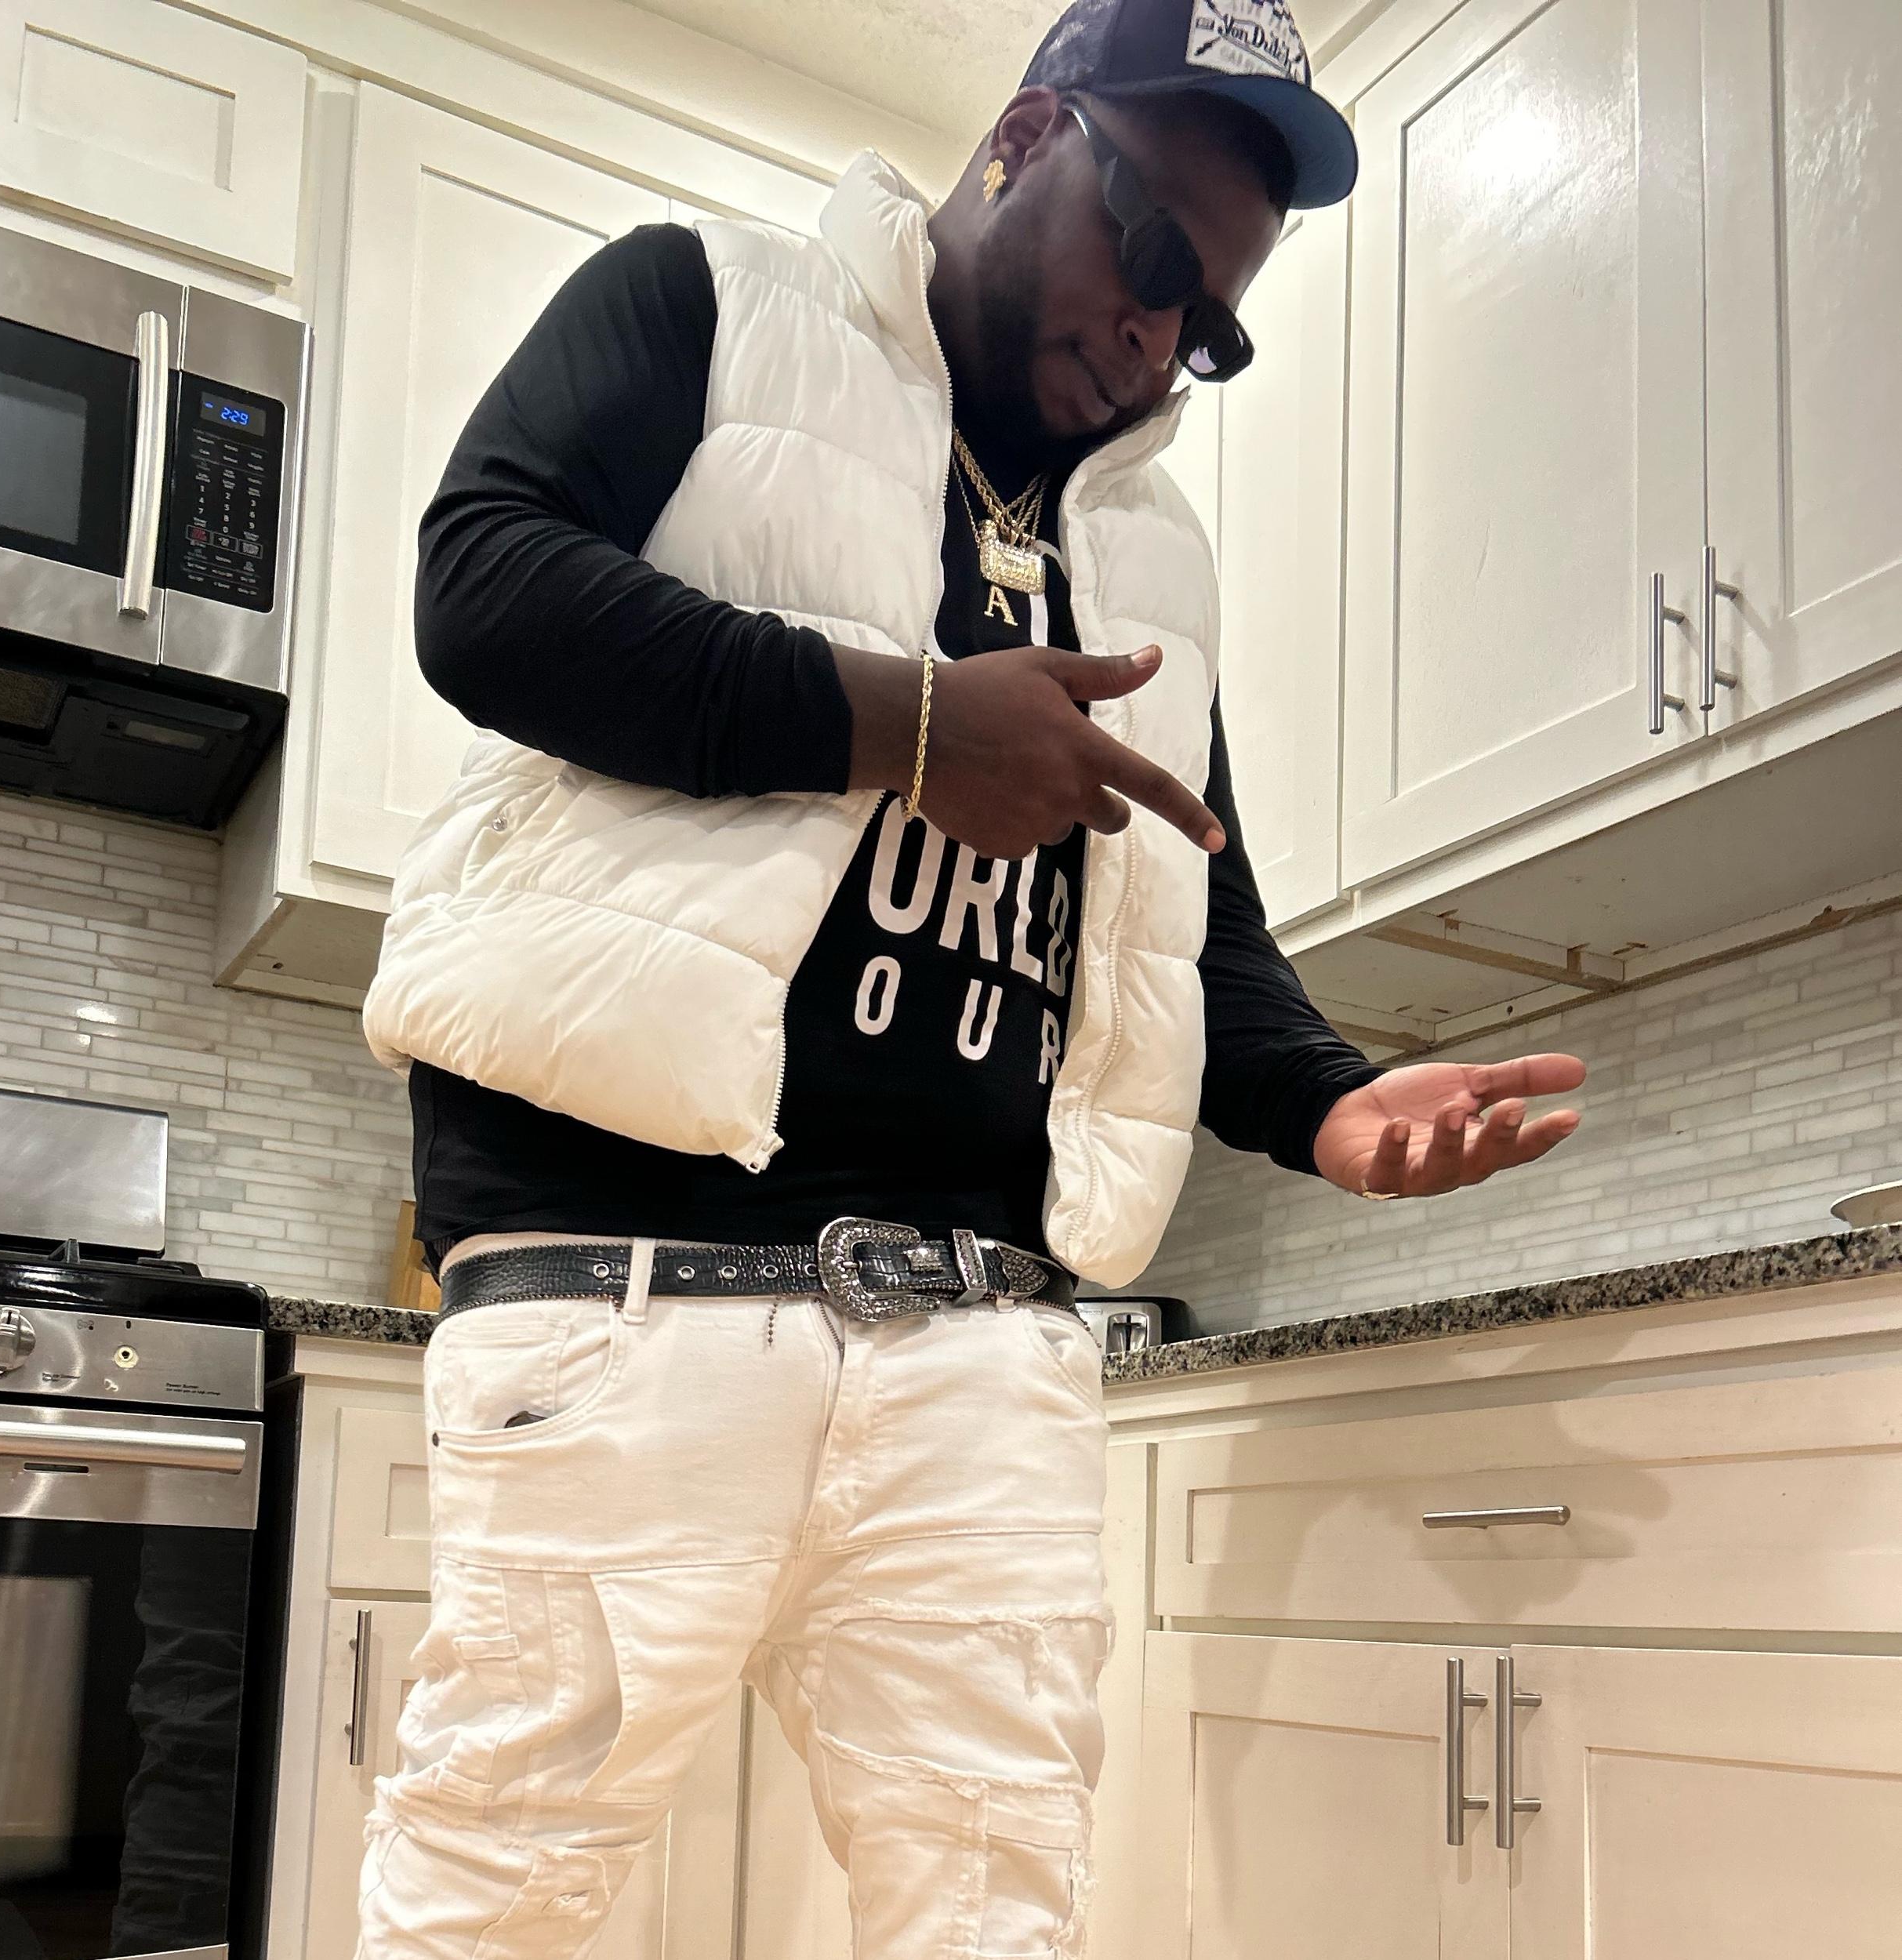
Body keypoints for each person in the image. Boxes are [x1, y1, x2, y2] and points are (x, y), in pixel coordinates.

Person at [355, 1, 1586, 1951]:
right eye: (1149, 253)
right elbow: (483, 581)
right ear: (1022, 136)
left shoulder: (1155, 558)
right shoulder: (705, 304)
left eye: (1210, 327)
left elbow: (1188, 916)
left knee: (996, 1910)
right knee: (499, 1896)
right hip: (625, 1279)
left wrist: (1331, 1101)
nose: (1157, 337)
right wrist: (907, 722)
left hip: (985, 1335)